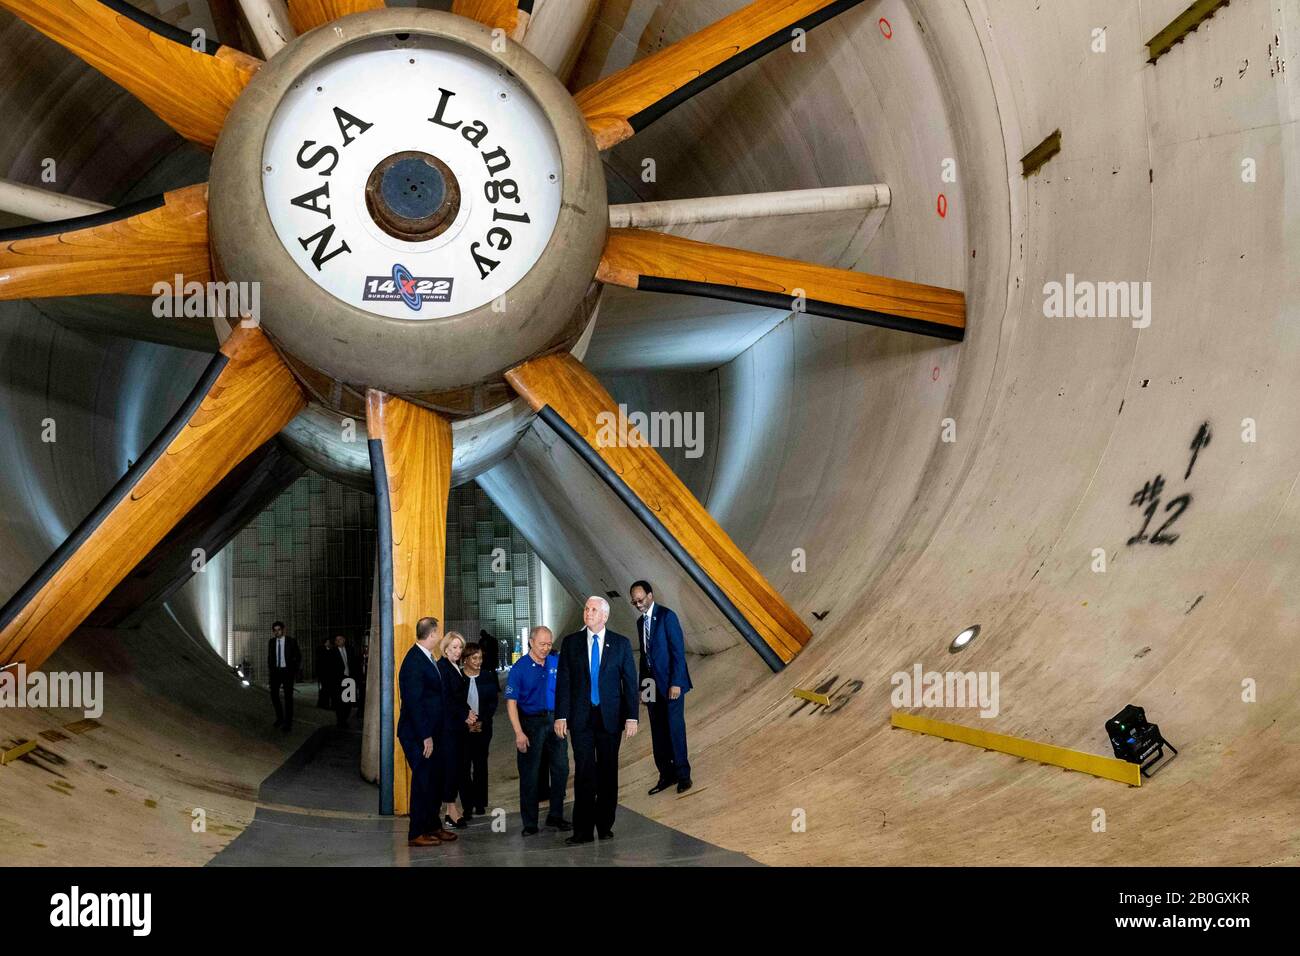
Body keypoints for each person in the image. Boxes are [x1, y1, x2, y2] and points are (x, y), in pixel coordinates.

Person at [554, 597, 638, 845]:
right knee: (584, 773)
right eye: (586, 609)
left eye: (593, 610)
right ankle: (582, 830)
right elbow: (564, 682)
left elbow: (630, 684)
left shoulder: (621, 644)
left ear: (605, 616)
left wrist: (632, 716)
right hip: (581, 719)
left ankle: (604, 825)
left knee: (608, 772)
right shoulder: (571, 643)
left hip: (610, 719)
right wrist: (561, 715)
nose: (588, 613)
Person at [505, 626, 571, 836]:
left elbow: (565, 691)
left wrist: (564, 718)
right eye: (542, 644)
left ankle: (556, 815)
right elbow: (511, 703)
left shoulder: (555, 663)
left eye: (549, 644)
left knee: (561, 768)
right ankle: (530, 822)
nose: (545, 648)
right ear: (531, 642)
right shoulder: (520, 668)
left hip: (555, 721)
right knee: (530, 773)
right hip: (530, 723)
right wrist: (518, 732)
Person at [397, 616, 456, 848]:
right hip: (417, 735)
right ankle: (416, 832)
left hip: (432, 732)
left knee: (433, 781)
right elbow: (414, 702)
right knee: (422, 781)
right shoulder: (413, 662)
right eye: (438, 632)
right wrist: (425, 736)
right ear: (431, 634)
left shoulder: (428, 658)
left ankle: (433, 826)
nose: (439, 636)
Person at [630, 581, 693, 793]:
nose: (638, 604)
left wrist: (676, 682)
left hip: (670, 683)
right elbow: (644, 658)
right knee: (657, 731)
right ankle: (666, 775)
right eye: (634, 601)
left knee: (675, 729)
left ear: (650, 595)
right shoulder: (640, 623)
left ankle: (683, 775)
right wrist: (642, 688)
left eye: (641, 599)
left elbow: (677, 652)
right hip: (650, 684)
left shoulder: (667, 616)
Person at [436, 631, 476, 830]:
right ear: (445, 648)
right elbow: (447, 699)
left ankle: (450, 809)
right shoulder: (443, 668)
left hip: (457, 727)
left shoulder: (454, 667)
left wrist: (467, 713)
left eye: (460, 647)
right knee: (452, 769)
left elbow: (458, 699)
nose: (458, 651)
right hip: (449, 729)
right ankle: (450, 811)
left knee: (458, 768)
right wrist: (464, 714)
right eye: (454, 647)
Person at [460, 642, 497, 817]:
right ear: (465, 659)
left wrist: (481, 720)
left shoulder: (488, 676)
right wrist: (466, 721)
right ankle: (467, 805)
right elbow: (455, 702)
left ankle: (480, 803)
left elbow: (493, 702)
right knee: (464, 766)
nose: (478, 661)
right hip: (463, 729)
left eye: (480, 658)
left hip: (483, 728)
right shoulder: (459, 677)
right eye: (474, 658)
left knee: (481, 765)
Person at [267, 621, 300, 732]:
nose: (277, 632)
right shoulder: (271, 642)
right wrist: (271, 671)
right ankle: (280, 718)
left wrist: (293, 671)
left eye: (279, 629)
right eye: (275, 630)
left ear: (283, 630)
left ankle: (288, 723)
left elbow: (298, 656)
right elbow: (270, 657)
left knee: (288, 698)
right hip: (275, 673)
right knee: (274, 696)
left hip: (287, 673)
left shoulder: (291, 641)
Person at [331, 634, 361, 728]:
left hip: (350, 678)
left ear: (344, 640)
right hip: (339, 679)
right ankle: (340, 720)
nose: (339, 641)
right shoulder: (332, 652)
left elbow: (354, 664)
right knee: (340, 701)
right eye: (337, 639)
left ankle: (345, 718)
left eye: (341, 639)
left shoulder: (350, 650)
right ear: (335, 642)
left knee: (349, 700)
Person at [317, 637, 334, 709]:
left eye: (329, 642)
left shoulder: (330, 650)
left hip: (328, 674)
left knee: (326, 689)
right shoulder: (322, 650)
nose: (329, 643)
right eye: (327, 642)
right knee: (325, 689)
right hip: (324, 674)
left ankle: (323, 703)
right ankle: (324, 704)